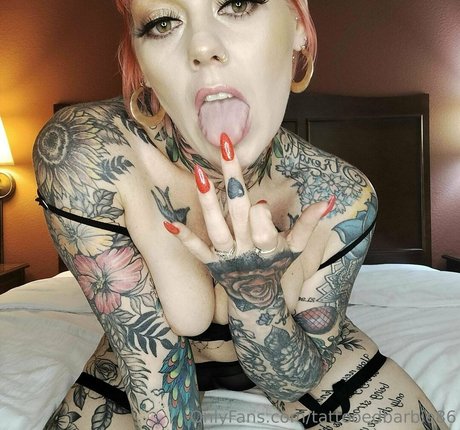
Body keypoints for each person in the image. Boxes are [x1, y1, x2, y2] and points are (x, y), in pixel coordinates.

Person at [33, 1, 447, 429]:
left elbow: (292, 381)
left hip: (295, 353)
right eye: (163, 22)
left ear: (298, 24)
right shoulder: (88, 152)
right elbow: (153, 373)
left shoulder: (339, 195)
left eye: (237, 3)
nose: (203, 47)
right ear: (142, 64)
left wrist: (256, 298)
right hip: (140, 368)